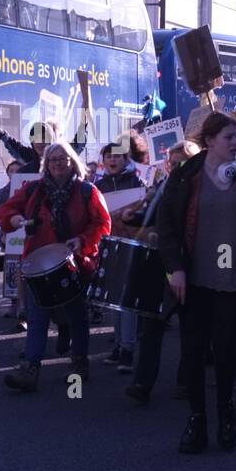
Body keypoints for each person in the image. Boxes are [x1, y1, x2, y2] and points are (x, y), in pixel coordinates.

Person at [157, 112, 236, 453]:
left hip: (233, 282)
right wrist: (174, 268)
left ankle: (225, 412)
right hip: (193, 280)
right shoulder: (184, 178)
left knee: (225, 353)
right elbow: (167, 230)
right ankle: (197, 419)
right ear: (209, 141)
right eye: (228, 138)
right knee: (192, 353)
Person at [0, 142, 111, 391]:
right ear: (46, 165)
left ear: (73, 162)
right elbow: (6, 209)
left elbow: (102, 224)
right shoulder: (33, 190)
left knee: (76, 315)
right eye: (53, 160)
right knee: (37, 317)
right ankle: (31, 369)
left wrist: (82, 241)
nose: (58, 163)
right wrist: (15, 219)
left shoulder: (87, 191)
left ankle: (79, 363)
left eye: (63, 159)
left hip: (74, 262)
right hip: (38, 262)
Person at [123, 141, 198, 404]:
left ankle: (186, 381)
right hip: (159, 262)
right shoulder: (164, 185)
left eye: (181, 162)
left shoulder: (199, 188)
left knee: (191, 327)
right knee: (151, 325)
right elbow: (151, 216)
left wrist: (161, 234)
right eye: (172, 162)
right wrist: (133, 217)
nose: (175, 167)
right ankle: (142, 382)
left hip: (189, 264)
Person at [96, 136, 149, 372]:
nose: (112, 160)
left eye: (117, 156)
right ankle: (119, 345)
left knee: (127, 300)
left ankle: (128, 349)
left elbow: (145, 213)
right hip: (110, 245)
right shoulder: (99, 186)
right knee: (113, 299)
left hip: (132, 243)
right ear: (104, 161)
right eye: (109, 156)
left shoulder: (137, 182)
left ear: (125, 159)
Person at [0, 114, 84, 173]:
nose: (40, 143)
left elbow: (79, 142)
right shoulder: (29, 158)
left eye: (44, 138)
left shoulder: (65, 154)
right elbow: (11, 143)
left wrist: (85, 118)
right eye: (36, 139)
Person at [0, 160, 25, 328]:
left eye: (17, 171)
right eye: (11, 170)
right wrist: (7, 212)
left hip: (26, 236)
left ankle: (23, 307)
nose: (14, 173)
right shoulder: (3, 192)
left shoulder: (28, 188)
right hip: (9, 236)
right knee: (11, 269)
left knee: (25, 270)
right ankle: (14, 304)